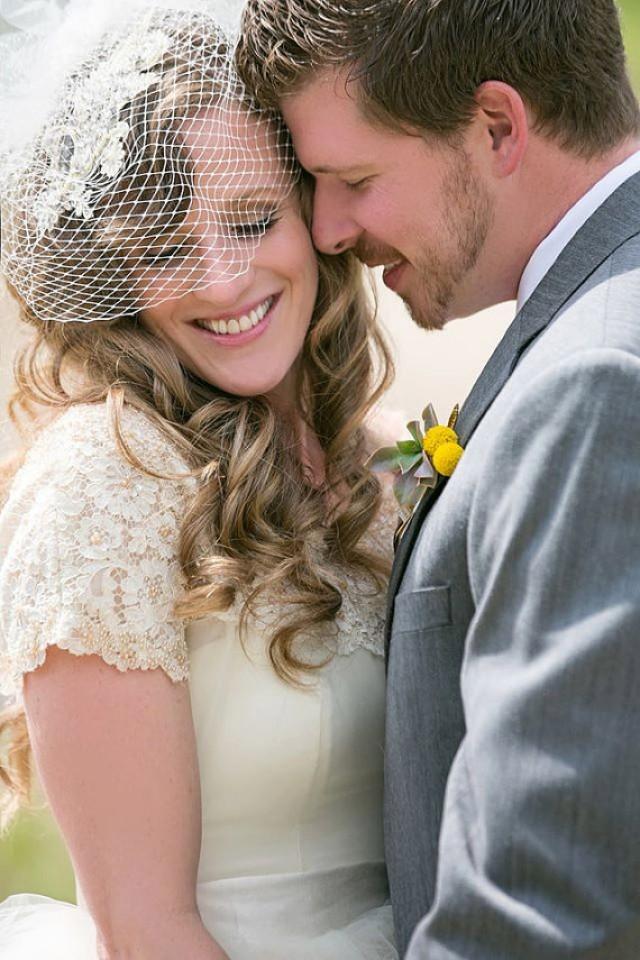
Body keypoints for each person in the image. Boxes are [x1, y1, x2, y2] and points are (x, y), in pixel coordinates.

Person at [236, 1, 640, 957]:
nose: (327, 230)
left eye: (354, 180)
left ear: (497, 126)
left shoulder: (592, 382)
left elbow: (534, 903)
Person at [0, 2, 400, 958]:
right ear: (114, 276)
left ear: (315, 210)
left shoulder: (382, 464)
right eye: (168, 248)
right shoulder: (105, 484)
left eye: (253, 220)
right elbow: (146, 930)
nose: (222, 283)